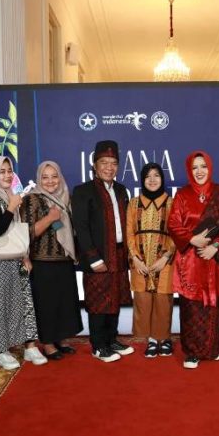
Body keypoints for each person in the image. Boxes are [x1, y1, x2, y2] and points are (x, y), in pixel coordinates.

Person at [168, 151, 219, 369]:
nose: (199, 171)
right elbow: (173, 224)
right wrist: (192, 239)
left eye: (203, 166)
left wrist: (215, 247)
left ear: (210, 167)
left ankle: (213, 349)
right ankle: (192, 353)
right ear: (189, 170)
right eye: (195, 167)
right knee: (192, 307)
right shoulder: (182, 195)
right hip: (191, 261)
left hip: (214, 259)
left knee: (214, 306)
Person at [0, 156, 43, 370]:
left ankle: (29, 346)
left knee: (23, 303)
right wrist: (12, 207)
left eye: (9, 171)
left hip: (13, 260)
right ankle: (1, 350)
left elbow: (15, 232)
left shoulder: (6, 194)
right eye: (1, 171)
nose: (6, 175)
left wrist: (24, 256)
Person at [71, 140, 134, 362]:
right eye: (104, 162)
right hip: (98, 255)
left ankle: (111, 339)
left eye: (114, 163)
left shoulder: (121, 190)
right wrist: (93, 257)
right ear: (95, 165)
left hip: (119, 254)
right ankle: (98, 345)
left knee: (114, 299)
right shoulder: (83, 191)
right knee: (98, 301)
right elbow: (81, 227)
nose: (109, 167)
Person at [21, 161, 83, 360]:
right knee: (47, 304)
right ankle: (48, 343)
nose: (50, 181)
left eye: (54, 176)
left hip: (64, 259)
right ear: (39, 179)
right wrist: (49, 218)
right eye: (45, 177)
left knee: (64, 302)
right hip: (42, 261)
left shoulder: (65, 197)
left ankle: (61, 339)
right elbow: (25, 233)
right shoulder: (32, 199)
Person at [126, 162, 176, 358]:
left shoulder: (171, 203)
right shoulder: (133, 203)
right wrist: (135, 258)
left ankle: (164, 338)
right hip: (140, 259)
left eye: (157, 175)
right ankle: (152, 340)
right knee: (144, 299)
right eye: (148, 176)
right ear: (142, 180)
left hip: (164, 260)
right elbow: (129, 233)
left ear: (162, 179)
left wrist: (166, 257)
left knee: (163, 300)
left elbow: (176, 233)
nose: (152, 180)